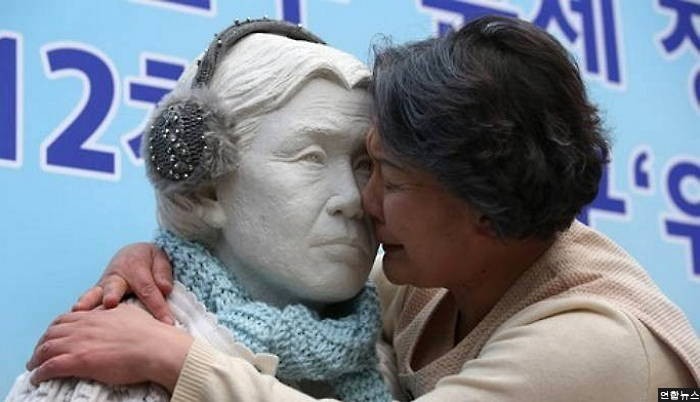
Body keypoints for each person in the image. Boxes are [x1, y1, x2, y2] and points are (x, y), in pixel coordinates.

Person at [28, 15, 700, 402]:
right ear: (203, 183)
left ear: (482, 211)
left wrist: (179, 363)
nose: (360, 200)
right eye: (354, 163)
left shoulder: (597, 343)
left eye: (386, 178)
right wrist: (164, 254)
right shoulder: (432, 273)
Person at [8, 19, 396, 402]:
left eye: (365, 164)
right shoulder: (101, 363)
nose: (353, 197)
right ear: (206, 190)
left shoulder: (389, 349)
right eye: (311, 157)